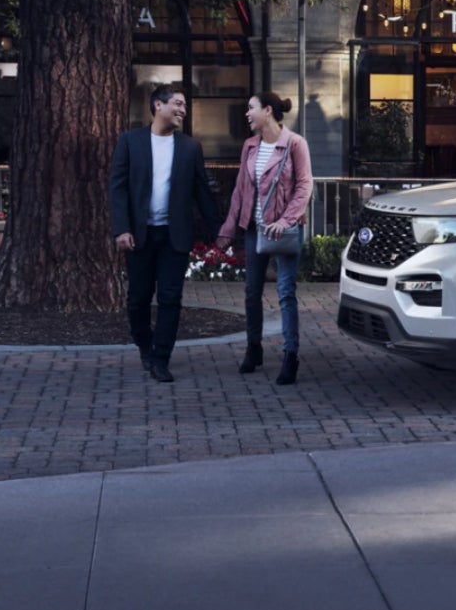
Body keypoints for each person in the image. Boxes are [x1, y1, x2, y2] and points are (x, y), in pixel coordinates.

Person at [106, 85, 215, 383]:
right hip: (139, 235)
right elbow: (117, 188)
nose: (182, 110)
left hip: (174, 235)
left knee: (170, 298)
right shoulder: (130, 141)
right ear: (158, 105)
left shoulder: (191, 147)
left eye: (184, 106)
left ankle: (160, 358)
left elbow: (202, 194)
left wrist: (222, 233)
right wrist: (121, 229)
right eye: (177, 104)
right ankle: (145, 345)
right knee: (138, 300)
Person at [216, 91, 313, 385]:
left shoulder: (295, 144)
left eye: (251, 108)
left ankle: (290, 355)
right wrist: (228, 229)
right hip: (254, 228)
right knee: (250, 292)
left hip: (283, 231)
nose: (246, 114)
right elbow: (241, 191)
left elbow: (304, 186)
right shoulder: (250, 146)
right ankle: (254, 347)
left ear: (267, 110)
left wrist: (285, 221)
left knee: (285, 293)